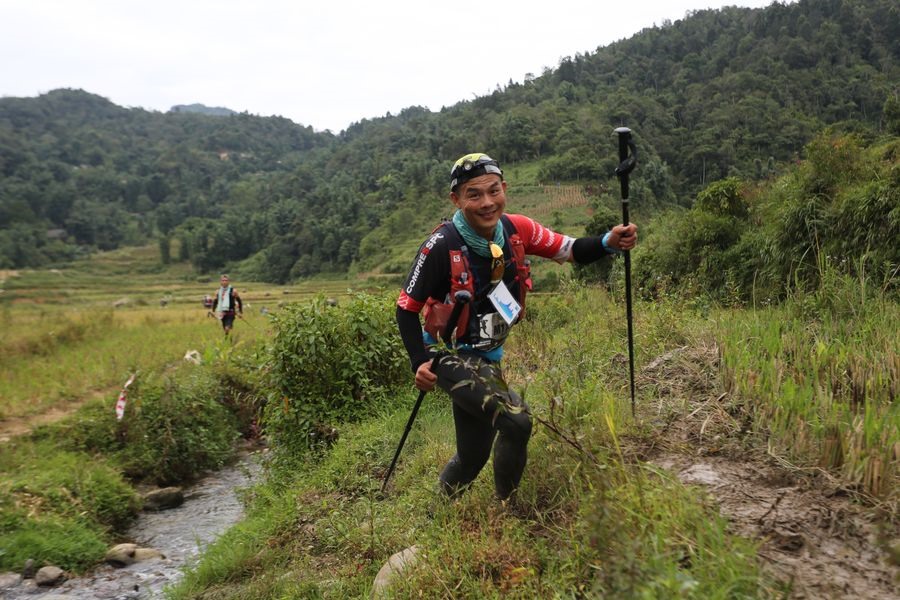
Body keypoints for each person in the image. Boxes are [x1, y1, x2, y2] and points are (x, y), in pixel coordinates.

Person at [396, 153, 637, 502]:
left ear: (505, 188)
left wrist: (606, 242)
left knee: (473, 455)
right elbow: (406, 309)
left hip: (487, 357)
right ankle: (506, 508)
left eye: (493, 191)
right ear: (457, 200)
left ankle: (439, 511)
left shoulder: (516, 230)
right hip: (447, 353)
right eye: (473, 195)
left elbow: (569, 250)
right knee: (515, 420)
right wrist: (418, 361)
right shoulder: (440, 246)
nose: (486, 202)